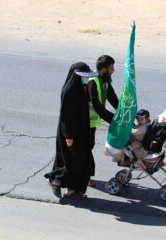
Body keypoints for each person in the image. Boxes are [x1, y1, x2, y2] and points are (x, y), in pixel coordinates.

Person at [44, 62, 98, 199]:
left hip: (81, 132)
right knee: (73, 161)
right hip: (71, 134)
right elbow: (66, 116)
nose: (84, 79)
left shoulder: (81, 87)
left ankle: (73, 191)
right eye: (82, 76)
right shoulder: (69, 91)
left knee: (81, 160)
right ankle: (56, 181)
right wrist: (69, 136)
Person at [86, 55, 119, 186]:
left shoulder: (104, 80)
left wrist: (123, 112)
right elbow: (98, 107)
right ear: (104, 70)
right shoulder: (92, 82)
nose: (113, 70)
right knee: (86, 148)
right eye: (111, 68)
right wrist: (114, 121)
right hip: (83, 121)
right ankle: (84, 177)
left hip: (91, 122)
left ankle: (84, 176)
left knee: (88, 147)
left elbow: (112, 98)